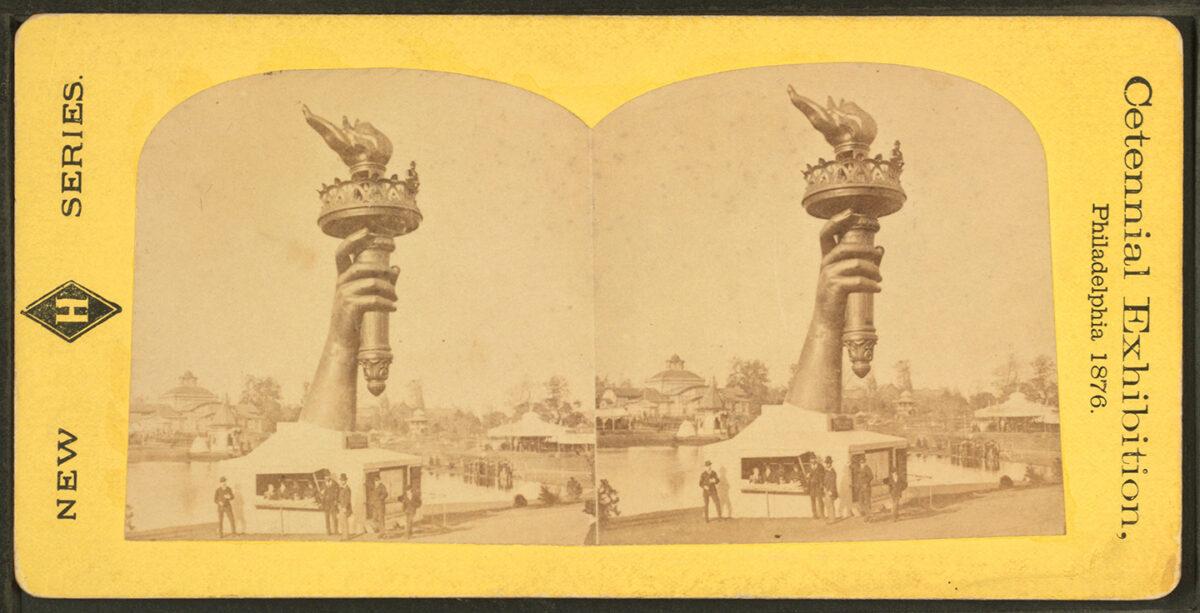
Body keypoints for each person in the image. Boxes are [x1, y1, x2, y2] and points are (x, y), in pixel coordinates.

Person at [852, 456, 874, 520]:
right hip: (860, 488)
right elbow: (855, 471)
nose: (862, 463)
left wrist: (866, 483)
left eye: (863, 462)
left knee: (867, 502)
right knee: (860, 502)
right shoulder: (859, 469)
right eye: (861, 462)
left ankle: (868, 517)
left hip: (866, 488)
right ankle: (869, 514)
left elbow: (871, 476)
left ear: (865, 462)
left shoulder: (867, 468)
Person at [822, 456, 839, 523]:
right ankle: (830, 518)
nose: (827, 464)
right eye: (826, 463)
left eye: (828, 463)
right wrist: (824, 487)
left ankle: (832, 519)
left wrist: (831, 491)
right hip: (826, 489)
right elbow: (824, 480)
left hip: (830, 490)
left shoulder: (832, 472)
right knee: (827, 504)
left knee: (831, 505)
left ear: (831, 463)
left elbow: (833, 482)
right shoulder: (825, 471)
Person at [336, 473, 353, 540]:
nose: (342, 481)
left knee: (344, 522)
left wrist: (345, 507)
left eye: (343, 480)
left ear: (346, 480)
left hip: (345, 508)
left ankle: (346, 537)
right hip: (341, 507)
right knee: (342, 522)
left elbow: (347, 499)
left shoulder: (347, 489)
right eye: (341, 480)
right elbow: (339, 497)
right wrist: (338, 504)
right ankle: (343, 536)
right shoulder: (341, 488)